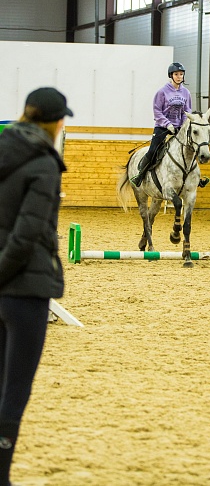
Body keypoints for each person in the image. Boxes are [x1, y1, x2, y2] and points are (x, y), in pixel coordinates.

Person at [0, 87, 73, 486]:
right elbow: (27, 236)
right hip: (24, 290)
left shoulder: (4, 147)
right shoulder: (44, 164)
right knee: (15, 392)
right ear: (54, 121)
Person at [130, 62, 210, 188]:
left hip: (180, 127)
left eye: (181, 74)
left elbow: (187, 111)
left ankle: (196, 178)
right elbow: (157, 111)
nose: (179, 77)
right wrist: (168, 124)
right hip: (162, 127)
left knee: (191, 149)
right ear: (171, 76)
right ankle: (139, 176)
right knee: (153, 151)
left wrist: (183, 125)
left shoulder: (186, 93)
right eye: (176, 74)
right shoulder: (162, 92)